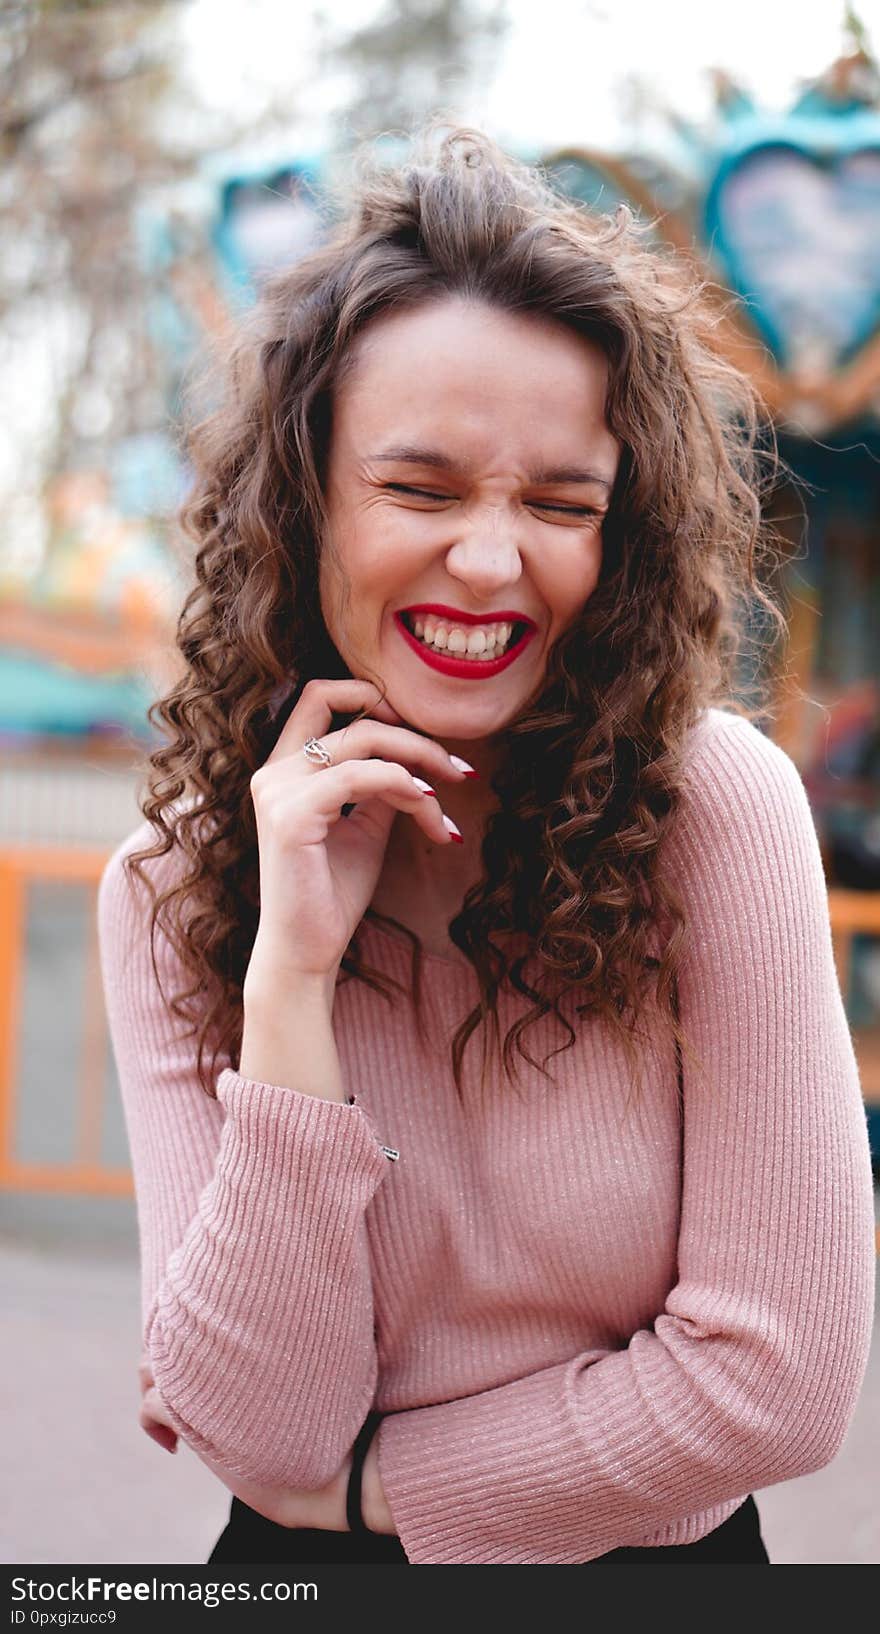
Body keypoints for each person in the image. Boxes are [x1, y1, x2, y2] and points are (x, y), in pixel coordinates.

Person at [97, 121, 876, 1567]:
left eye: (562, 504)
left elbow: (778, 1383)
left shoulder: (716, 812)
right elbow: (265, 1433)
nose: (492, 560)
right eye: (424, 487)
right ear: (303, 495)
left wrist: (377, 1495)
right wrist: (291, 981)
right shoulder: (170, 886)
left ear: (622, 532)